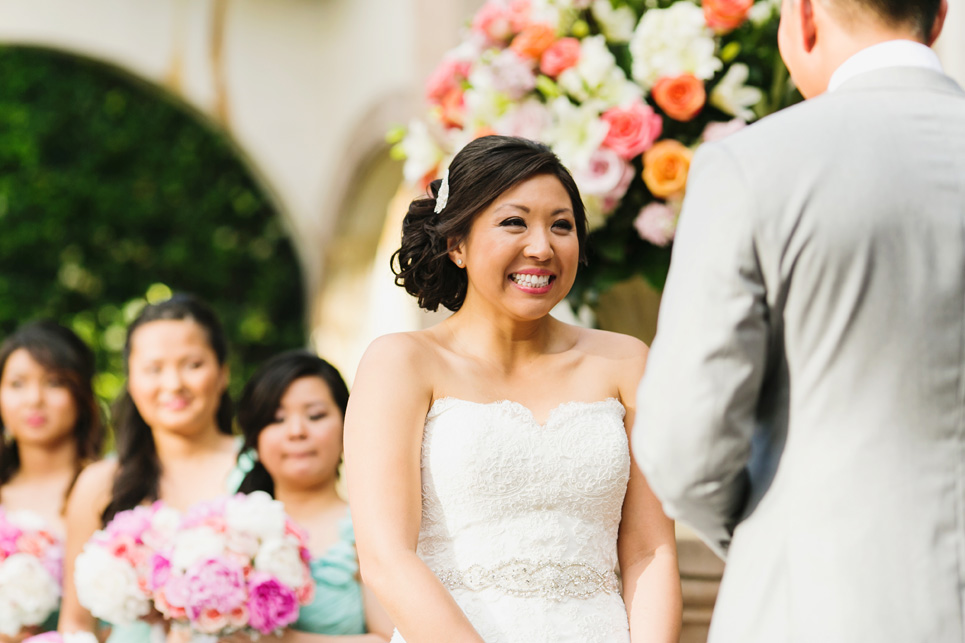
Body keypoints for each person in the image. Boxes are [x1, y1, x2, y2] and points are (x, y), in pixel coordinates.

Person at [632, 0, 963, 641]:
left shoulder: (754, 165)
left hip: (821, 603)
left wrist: (777, 533)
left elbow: (684, 447)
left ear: (804, 16)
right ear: (940, 16)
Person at [344, 135, 681, 643]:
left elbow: (649, 551)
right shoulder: (401, 363)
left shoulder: (626, 361)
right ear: (456, 243)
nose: (542, 247)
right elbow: (387, 558)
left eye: (561, 225)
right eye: (514, 222)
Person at [59, 294, 241, 640]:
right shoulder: (100, 484)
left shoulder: (262, 468)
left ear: (223, 373)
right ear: (131, 381)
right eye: (153, 369)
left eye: (192, 364)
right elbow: (76, 623)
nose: (173, 384)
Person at [235, 350, 393, 641]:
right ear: (254, 438)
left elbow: (388, 639)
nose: (296, 431)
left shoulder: (370, 530)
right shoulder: (227, 528)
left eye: (315, 415)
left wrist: (285, 640)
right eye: (276, 419)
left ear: (348, 426)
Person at [0, 321, 104, 639]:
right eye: (17, 384)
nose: (34, 399)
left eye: (54, 382)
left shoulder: (112, 487)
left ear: (81, 394)